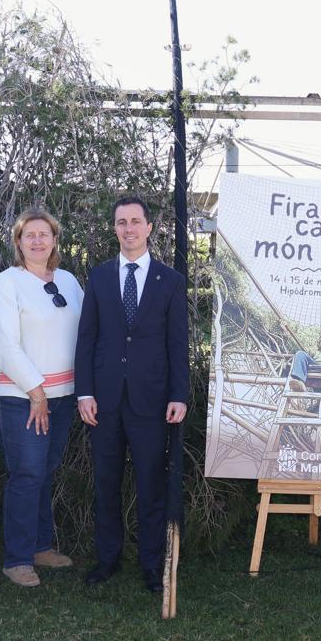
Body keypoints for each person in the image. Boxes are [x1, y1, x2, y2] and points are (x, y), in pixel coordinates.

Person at [76, 196, 189, 594]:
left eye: (136, 221)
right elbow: (86, 338)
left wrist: (180, 394)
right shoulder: (100, 277)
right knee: (105, 483)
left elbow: (179, 343)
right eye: (121, 222)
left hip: (152, 401)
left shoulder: (170, 281)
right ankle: (107, 559)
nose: (129, 228)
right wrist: (84, 392)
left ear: (149, 228)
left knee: (150, 485)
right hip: (103, 402)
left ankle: (151, 563)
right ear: (115, 229)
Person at [0, 210, 83, 589]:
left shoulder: (70, 281)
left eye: (45, 234)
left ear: (55, 240)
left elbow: (86, 331)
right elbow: (4, 345)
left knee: (45, 472)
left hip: (63, 396)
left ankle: (41, 547)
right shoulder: (7, 284)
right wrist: (36, 393)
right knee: (26, 475)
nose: (38, 241)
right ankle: (18, 559)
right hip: (21, 397)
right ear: (18, 242)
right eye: (30, 236)